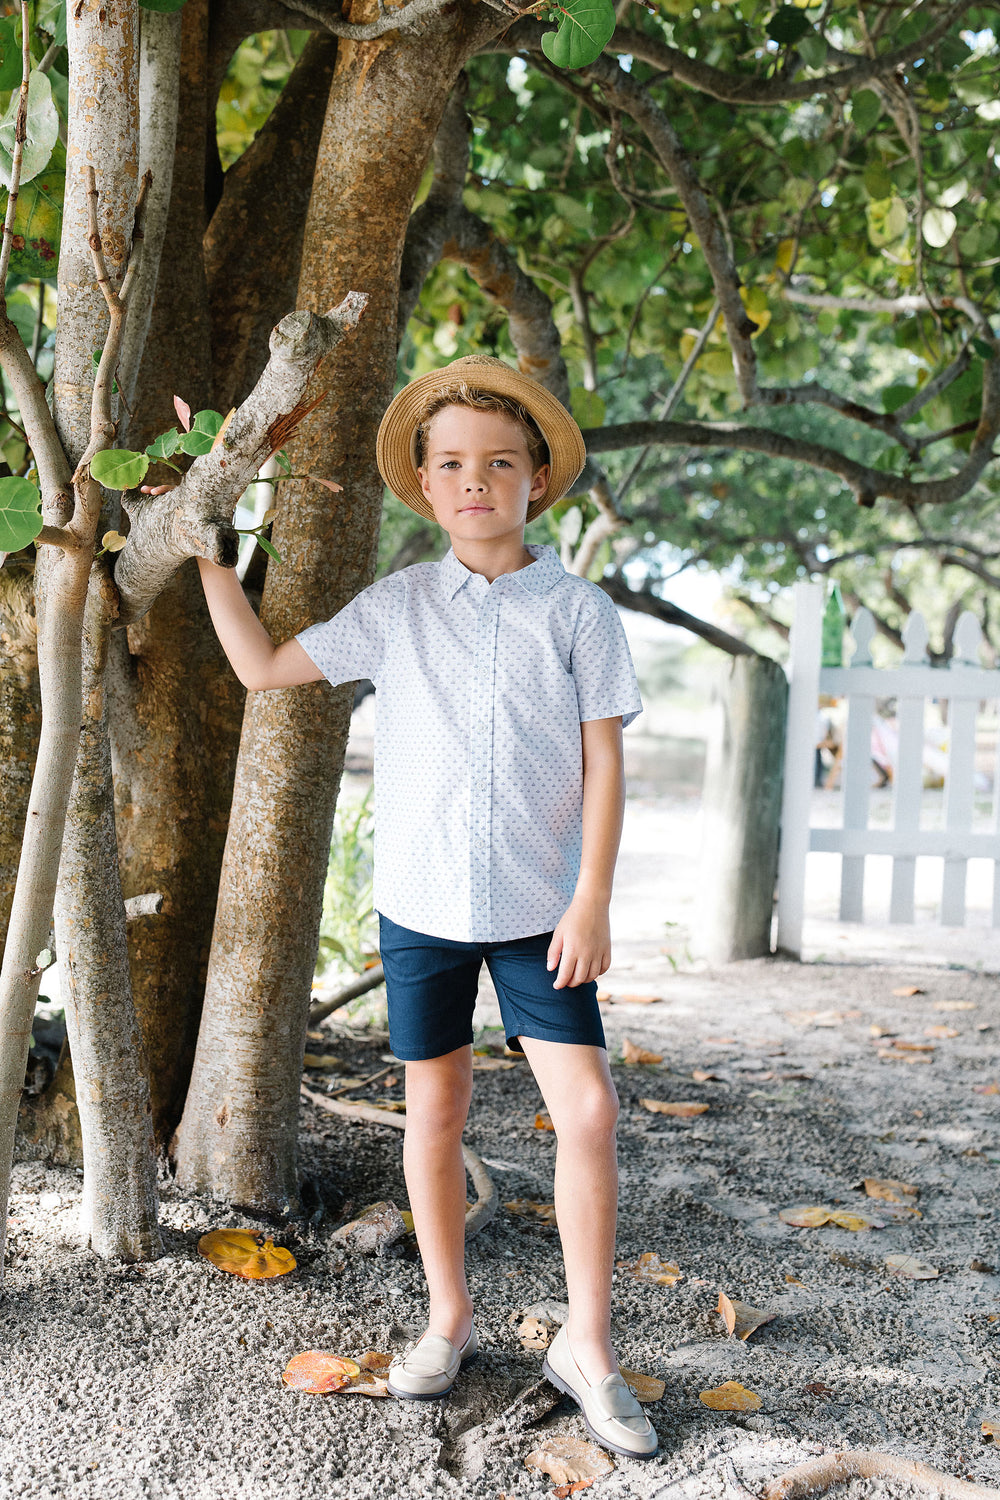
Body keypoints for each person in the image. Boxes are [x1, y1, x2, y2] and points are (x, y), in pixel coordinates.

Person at [192, 354, 656, 1461]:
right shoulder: (398, 606)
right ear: (425, 482)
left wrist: (591, 898)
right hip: (422, 904)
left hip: (544, 907)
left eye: (498, 462)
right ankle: (446, 1317)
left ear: (536, 480)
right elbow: (261, 667)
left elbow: (603, 768)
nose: (475, 480)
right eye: (451, 463)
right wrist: (206, 543)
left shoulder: (578, 613)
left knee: (586, 1113)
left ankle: (585, 1345)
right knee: (433, 1115)